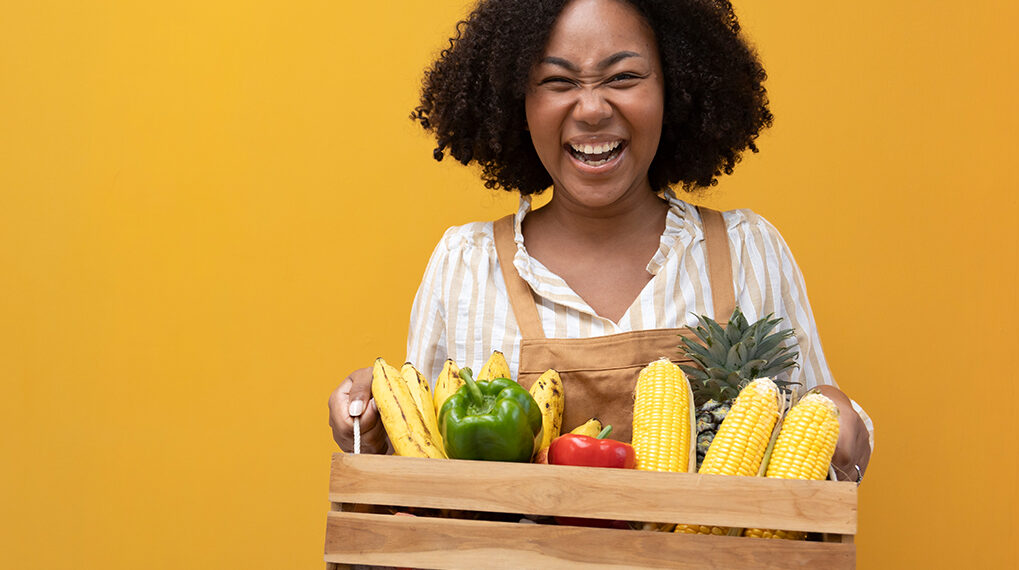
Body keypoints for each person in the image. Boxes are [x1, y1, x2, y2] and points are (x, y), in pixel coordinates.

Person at [329, 0, 872, 481]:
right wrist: (370, 432)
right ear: (517, 102)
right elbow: (422, 482)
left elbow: (830, 455)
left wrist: (842, 427)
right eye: (558, 82)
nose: (591, 109)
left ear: (675, 88)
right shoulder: (464, 265)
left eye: (623, 77)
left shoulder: (749, 250)